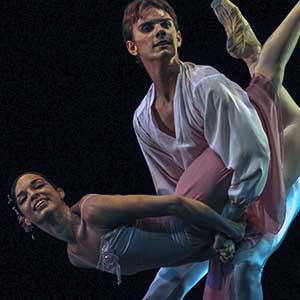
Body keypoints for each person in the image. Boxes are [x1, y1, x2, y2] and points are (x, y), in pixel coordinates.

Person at [123, 0, 300, 299]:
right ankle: (250, 53)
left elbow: (253, 160)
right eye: (148, 27)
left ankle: (252, 52)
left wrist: (229, 220)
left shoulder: (205, 85)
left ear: (178, 37)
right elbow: (173, 189)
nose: (160, 32)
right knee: (163, 285)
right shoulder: (143, 119)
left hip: (264, 179)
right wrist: (204, 227)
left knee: (245, 264)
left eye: (166, 25)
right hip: (220, 198)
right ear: (132, 47)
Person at [9, 171, 245, 286]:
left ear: (59, 192)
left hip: (194, 216)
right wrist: (211, 251)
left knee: (238, 151)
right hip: (200, 245)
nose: (34, 194)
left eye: (38, 185)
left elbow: (175, 204)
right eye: (23, 198)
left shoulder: (94, 209)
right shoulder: (75, 257)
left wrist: (231, 229)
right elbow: (161, 257)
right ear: (25, 220)